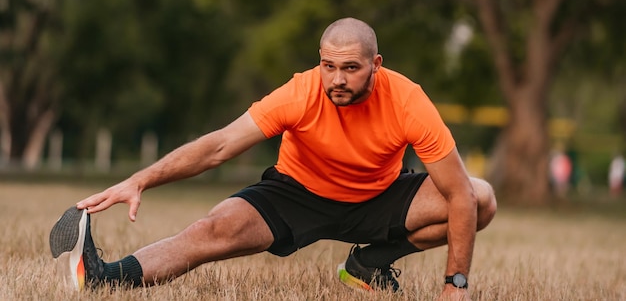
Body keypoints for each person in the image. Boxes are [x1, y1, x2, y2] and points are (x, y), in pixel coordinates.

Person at [49, 18, 497, 300]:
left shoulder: (408, 101)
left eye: (351, 68)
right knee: (210, 231)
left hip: (377, 196)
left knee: (481, 197)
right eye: (328, 66)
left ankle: (367, 265)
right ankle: (106, 278)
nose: (336, 79)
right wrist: (140, 180)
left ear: (376, 64)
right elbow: (221, 145)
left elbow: (457, 193)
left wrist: (454, 285)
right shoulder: (301, 92)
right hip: (296, 192)